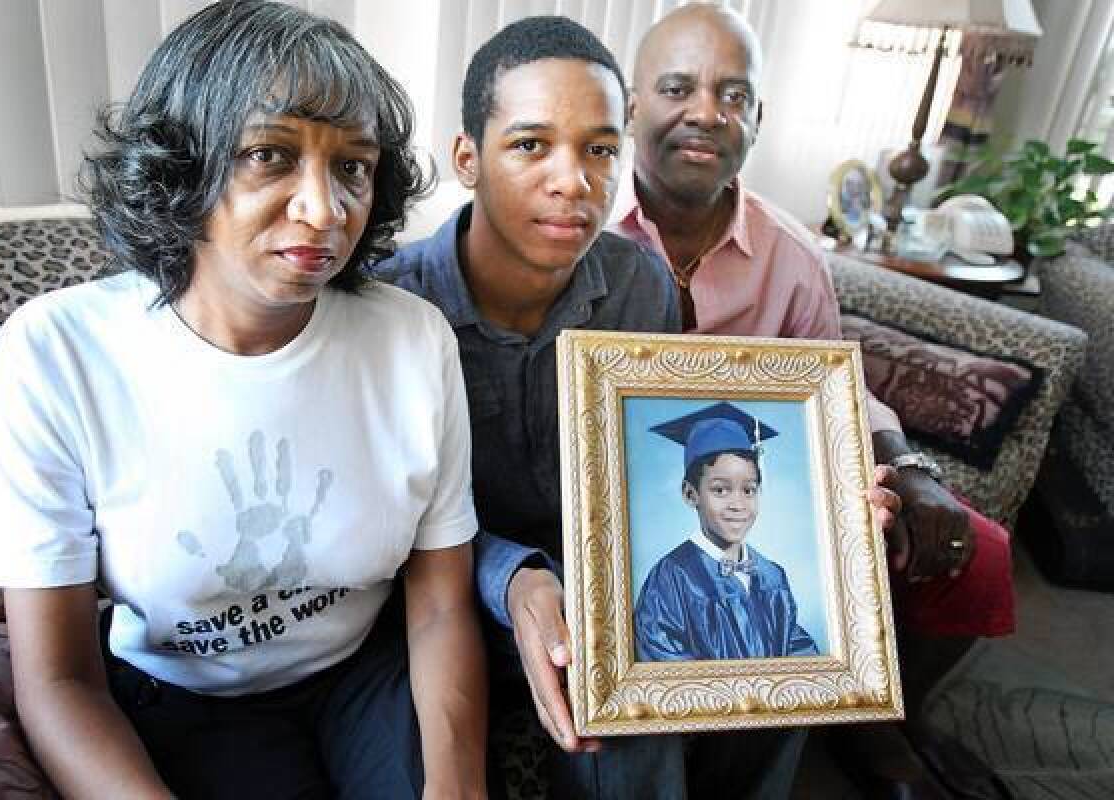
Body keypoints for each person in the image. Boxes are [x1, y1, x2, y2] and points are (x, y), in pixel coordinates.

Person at [0, 4, 485, 799]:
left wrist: (459, 788)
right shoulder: (58, 353)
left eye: (352, 166)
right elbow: (59, 679)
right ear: (184, 167)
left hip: (361, 674)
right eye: (270, 155)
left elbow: (441, 606)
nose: (325, 208)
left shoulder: (414, 341)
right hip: (181, 696)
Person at [612, 4, 1015, 797]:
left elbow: (837, 385)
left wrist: (907, 462)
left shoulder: (792, 258)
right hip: (623, 489)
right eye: (676, 87)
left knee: (974, 547)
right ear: (631, 106)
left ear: (758, 119)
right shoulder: (577, 228)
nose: (706, 113)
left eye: (734, 95)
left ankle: (877, 715)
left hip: (760, 486)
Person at [370, 16, 693, 799]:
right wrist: (513, 577)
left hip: (595, 592)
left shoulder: (641, 285)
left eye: (601, 149)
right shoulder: (386, 303)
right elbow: (386, 520)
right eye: (530, 145)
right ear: (467, 159)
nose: (574, 181)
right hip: (434, 597)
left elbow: (649, 473)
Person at [633, 402, 819, 662]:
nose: (738, 504)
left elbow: (799, 652)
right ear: (690, 494)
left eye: (749, 490)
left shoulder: (772, 575)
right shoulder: (670, 578)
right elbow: (664, 669)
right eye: (720, 490)